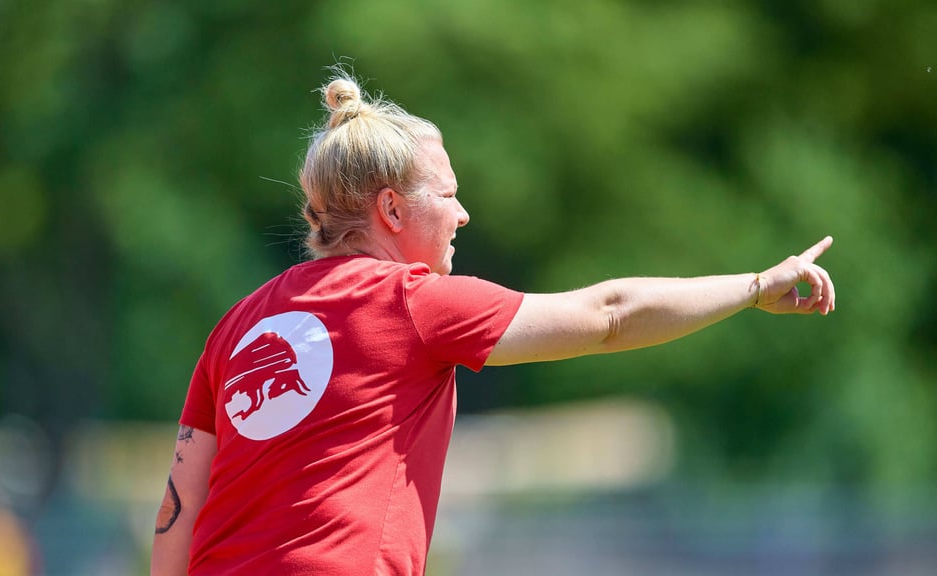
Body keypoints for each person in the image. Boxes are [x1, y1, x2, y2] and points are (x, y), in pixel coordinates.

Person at [150, 69, 836, 576]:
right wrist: (752, 287)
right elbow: (609, 316)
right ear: (391, 210)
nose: (463, 215)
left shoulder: (236, 328)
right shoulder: (412, 303)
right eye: (448, 195)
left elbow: (176, 519)